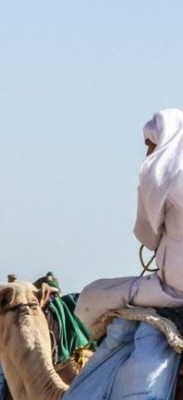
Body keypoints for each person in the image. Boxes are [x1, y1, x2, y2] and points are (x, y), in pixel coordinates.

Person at [75, 108, 183, 338]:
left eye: (151, 144)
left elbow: (148, 237)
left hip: (173, 289)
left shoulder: (159, 177)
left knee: (93, 294)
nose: (148, 152)